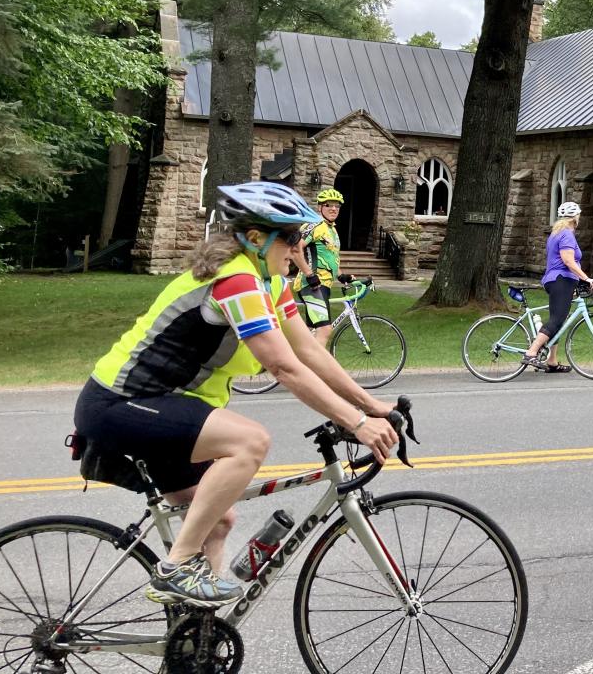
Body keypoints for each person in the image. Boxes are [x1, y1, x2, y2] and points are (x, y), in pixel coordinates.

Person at [73, 182, 398, 606]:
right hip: (120, 402)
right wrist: (355, 422)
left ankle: (195, 643)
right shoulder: (236, 280)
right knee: (250, 441)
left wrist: (373, 406)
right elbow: (284, 367)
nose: (299, 244)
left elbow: (308, 353)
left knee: (219, 519)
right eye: (291, 235)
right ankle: (177, 568)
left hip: (158, 403)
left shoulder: (270, 282)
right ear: (257, 238)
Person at [524, 201, 593, 372]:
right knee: (557, 319)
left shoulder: (556, 233)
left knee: (559, 320)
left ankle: (552, 361)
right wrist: (587, 279)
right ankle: (531, 352)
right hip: (561, 280)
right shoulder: (566, 234)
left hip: (558, 280)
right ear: (576, 218)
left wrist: (578, 282)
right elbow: (568, 261)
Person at [291, 187, 343, 345]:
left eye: (337, 205)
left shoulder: (331, 229)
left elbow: (331, 256)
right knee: (324, 330)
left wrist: (341, 275)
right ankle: (316, 369)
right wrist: (309, 274)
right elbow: (295, 248)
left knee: (311, 332)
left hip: (323, 285)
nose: (334, 208)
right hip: (312, 285)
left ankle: (300, 365)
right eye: (329, 205)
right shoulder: (314, 225)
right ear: (320, 207)